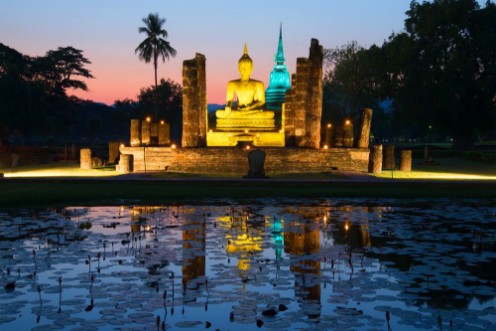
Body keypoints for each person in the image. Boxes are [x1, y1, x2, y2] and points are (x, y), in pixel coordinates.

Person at [216, 44, 273, 119]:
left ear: (252, 68)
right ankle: (243, 116)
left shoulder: (258, 84)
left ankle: (244, 116)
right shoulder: (232, 84)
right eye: (243, 67)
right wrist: (228, 107)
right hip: (239, 110)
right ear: (238, 68)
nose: (245, 69)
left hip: (252, 110)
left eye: (247, 67)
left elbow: (261, 101)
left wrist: (250, 107)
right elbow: (229, 101)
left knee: (270, 114)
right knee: (218, 113)